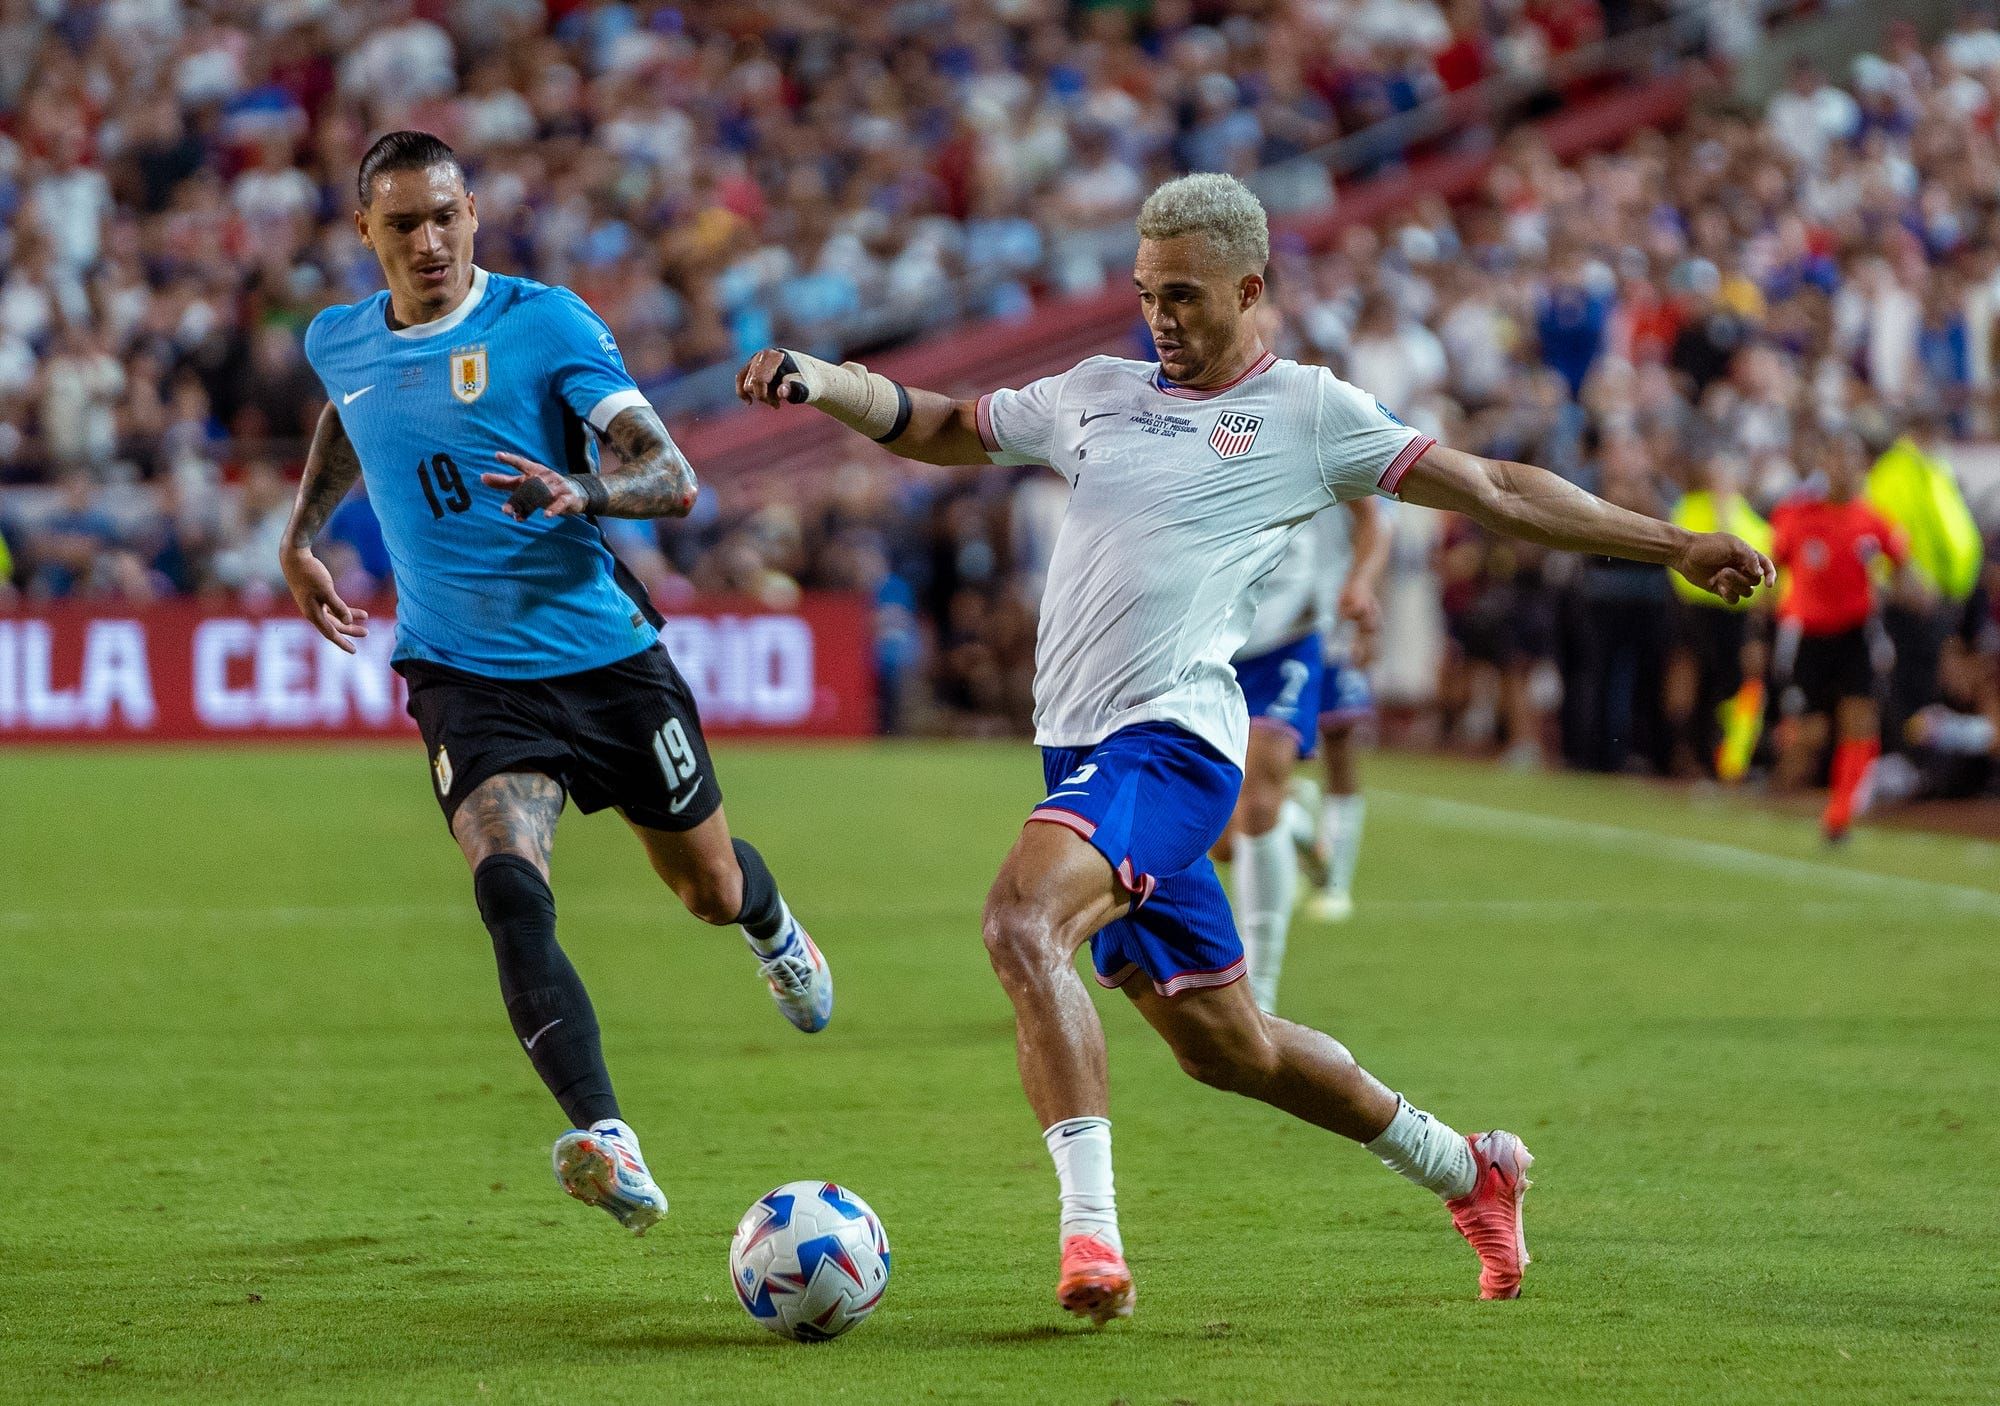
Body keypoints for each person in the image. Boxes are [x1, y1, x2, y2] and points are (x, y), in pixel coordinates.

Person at [737, 173, 1771, 1320]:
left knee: (1020, 920)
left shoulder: (1307, 411)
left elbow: (1491, 487)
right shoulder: (1096, 391)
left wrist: (1669, 540)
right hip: (1081, 753)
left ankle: (1091, 1242)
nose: (1158, 317)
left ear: (1249, 287)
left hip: (1170, 741)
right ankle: (1465, 1166)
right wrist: (825, 381)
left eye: (1181, 295)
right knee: (1230, 1048)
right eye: (1143, 294)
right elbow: (941, 425)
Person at [278, 131, 834, 1238]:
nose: (428, 240)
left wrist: (581, 490)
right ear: (365, 232)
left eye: (445, 215)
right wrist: (300, 531)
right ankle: (606, 1135)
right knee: (505, 879)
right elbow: (354, 412)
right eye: (402, 224)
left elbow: (670, 477)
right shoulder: (336, 338)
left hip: (604, 661)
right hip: (462, 673)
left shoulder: (546, 323)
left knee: (706, 887)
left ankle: (769, 924)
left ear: (473, 211)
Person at [1222, 496, 1383, 1013]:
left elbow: (1375, 517)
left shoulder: (1312, 416)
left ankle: (1258, 996)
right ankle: (1297, 825)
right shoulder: (1169, 416)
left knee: (1261, 798)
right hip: (1204, 641)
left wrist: (1360, 585)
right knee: (1223, 840)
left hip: (1286, 638)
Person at [1769, 426, 1912, 842]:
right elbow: (1772, 572)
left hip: (1856, 632)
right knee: (1811, 734)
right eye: (1836, 457)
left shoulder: (1874, 521)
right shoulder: (1797, 516)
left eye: (1852, 458)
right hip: (1808, 635)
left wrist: (1913, 591)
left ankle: (1840, 815)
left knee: (1860, 720)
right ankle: (1773, 776)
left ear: (1862, 466)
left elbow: (1903, 567)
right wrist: (1762, 632)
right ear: (1824, 465)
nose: (1844, 466)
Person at [1300, 495, 1391, 922]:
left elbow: (1377, 530)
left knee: (1339, 745)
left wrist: (1367, 607)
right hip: (1267, 625)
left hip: (1333, 622)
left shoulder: (1342, 445)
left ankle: (1336, 880)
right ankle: (1295, 822)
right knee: (1248, 753)